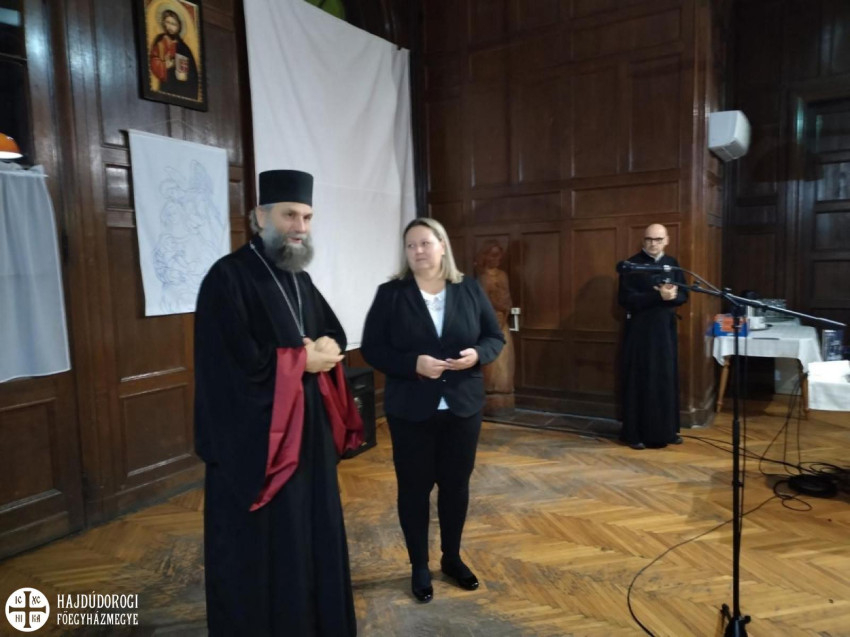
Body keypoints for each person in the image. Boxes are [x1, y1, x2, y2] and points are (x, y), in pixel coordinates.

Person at [194, 169, 361, 636]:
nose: (300, 227)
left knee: (312, 533)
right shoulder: (227, 277)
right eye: (290, 215)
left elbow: (332, 331)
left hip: (308, 438)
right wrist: (299, 361)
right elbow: (228, 368)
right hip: (259, 446)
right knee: (270, 544)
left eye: (307, 217)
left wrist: (325, 347)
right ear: (261, 216)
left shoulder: (298, 277)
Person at [360, 218, 504, 603]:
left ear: (442, 245)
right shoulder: (391, 294)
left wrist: (477, 354)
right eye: (411, 245)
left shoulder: (468, 288)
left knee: (456, 487)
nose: (418, 251)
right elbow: (373, 348)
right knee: (414, 489)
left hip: (462, 408)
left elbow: (494, 337)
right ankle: (419, 566)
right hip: (410, 410)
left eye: (425, 242)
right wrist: (413, 364)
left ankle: (452, 558)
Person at [617, 223, 688, 450]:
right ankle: (635, 434)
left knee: (665, 377)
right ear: (643, 240)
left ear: (666, 240)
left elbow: (684, 294)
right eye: (649, 239)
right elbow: (625, 299)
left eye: (658, 239)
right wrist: (658, 297)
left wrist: (673, 297)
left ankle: (667, 431)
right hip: (641, 332)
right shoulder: (632, 265)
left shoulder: (672, 263)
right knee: (641, 380)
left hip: (665, 330)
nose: (653, 244)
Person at [474, 240, 516, 414]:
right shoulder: (482, 278)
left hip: (502, 320)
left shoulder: (503, 275)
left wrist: (504, 308)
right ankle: (490, 396)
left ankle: (504, 395)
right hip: (489, 323)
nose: (497, 259)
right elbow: (482, 303)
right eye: (493, 255)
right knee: (491, 363)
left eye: (499, 255)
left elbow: (507, 298)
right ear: (485, 256)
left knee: (505, 360)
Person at [149, 8, 199, 100]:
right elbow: (153, 60)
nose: (170, 27)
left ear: (178, 26)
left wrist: (185, 74)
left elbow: (193, 74)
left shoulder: (184, 48)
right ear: (164, 23)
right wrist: (164, 65)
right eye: (168, 22)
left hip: (181, 88)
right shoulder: (160, 41)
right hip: (166, 87)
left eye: (173, 24)